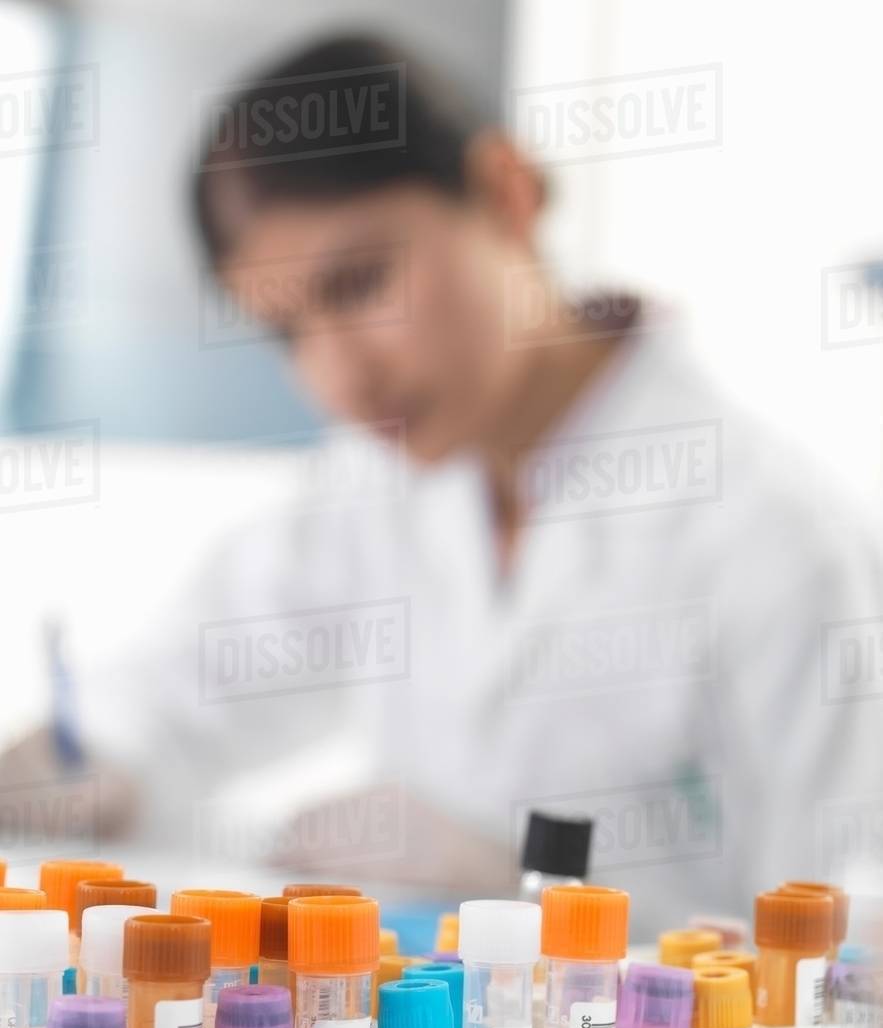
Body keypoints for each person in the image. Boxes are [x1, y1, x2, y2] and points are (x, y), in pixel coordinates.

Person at [2, 35, 881, 932]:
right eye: (286, 332)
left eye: (359, 285)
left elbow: (841, 960)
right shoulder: (378, 484)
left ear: (506, 192)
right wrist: (60, 771)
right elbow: (169, 698)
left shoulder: (779, 540)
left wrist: (532, 890)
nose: (339, 378)